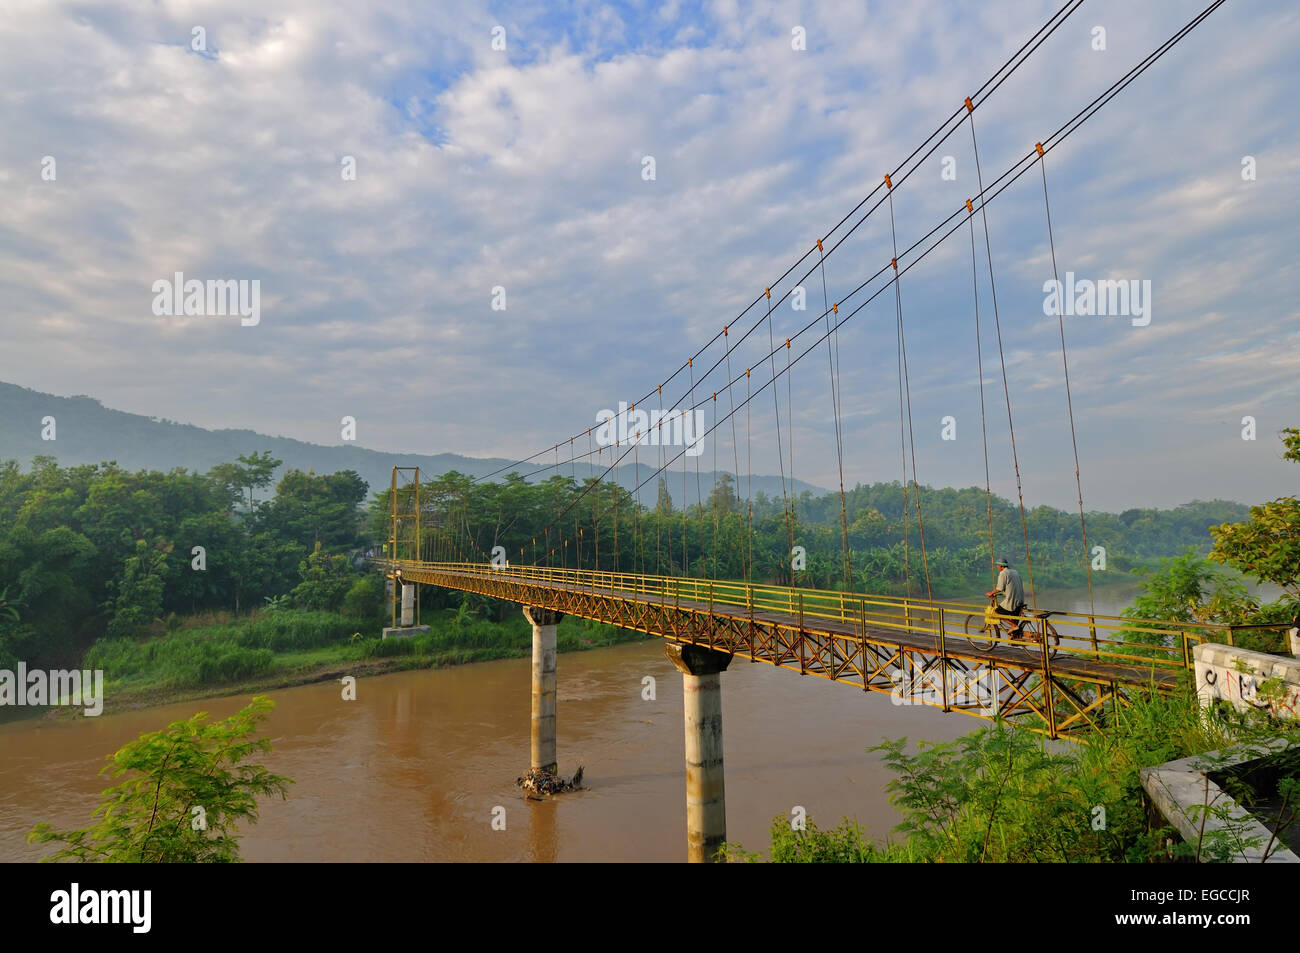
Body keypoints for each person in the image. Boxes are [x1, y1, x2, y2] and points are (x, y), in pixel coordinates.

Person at [986, 557, 1026, 637]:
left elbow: (999, 588)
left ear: (1001, 566)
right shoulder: (1015, 572)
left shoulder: (1003, 573)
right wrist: (1005, 593)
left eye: (997, 566)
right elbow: (1011, 586)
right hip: (1020, 600)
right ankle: (1015, 637)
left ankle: (1014, 626)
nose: (997, 567)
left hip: (1012, 601)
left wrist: (991, 593)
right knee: (1014, 618)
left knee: (996, 613)